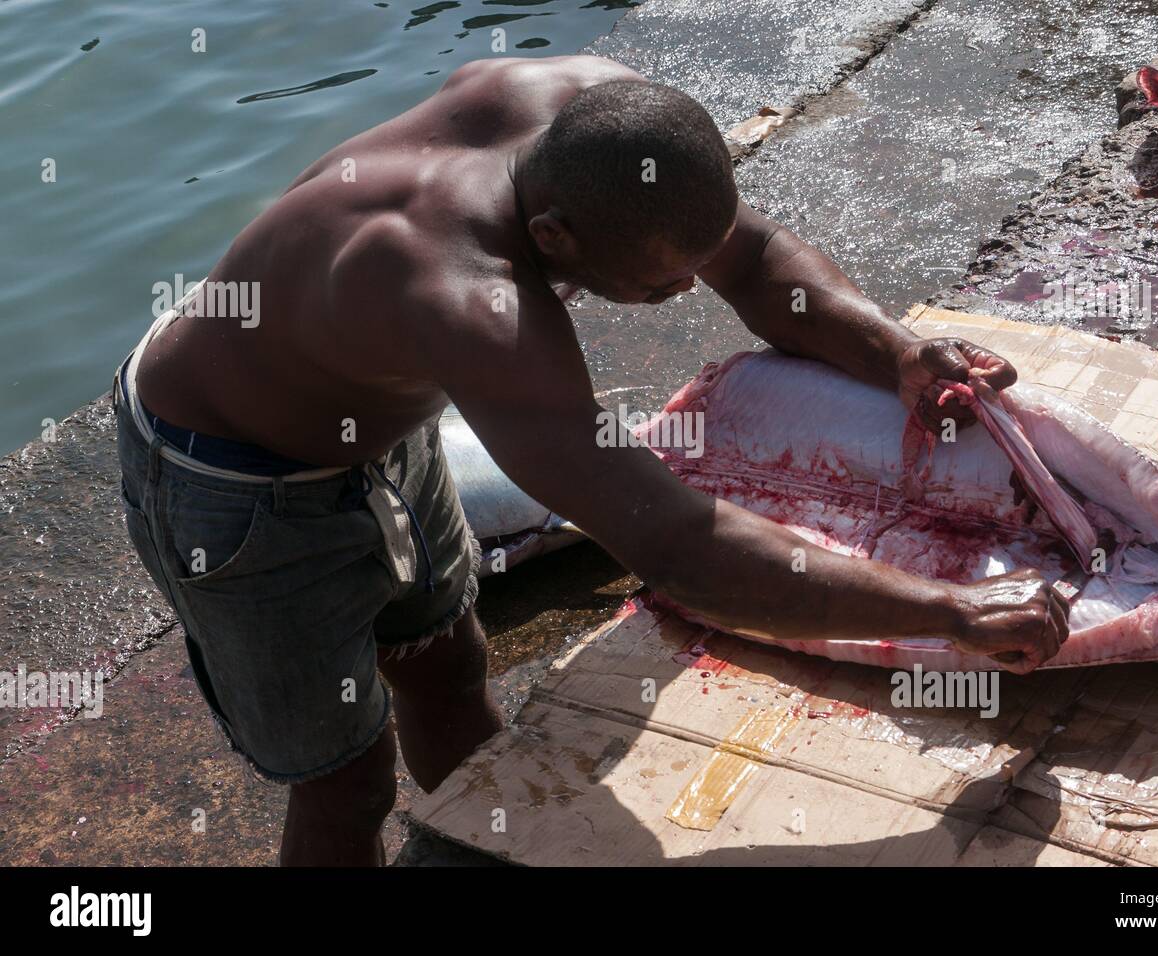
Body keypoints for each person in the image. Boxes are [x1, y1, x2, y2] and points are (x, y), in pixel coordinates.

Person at [115, 55, 1067, 866]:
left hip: (378, 426)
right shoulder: (467, 295)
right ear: (552, 240)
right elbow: (683, 549)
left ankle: (488, 839)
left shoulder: (600, 120)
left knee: (447, 663)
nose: (686, 291)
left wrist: (897, 354)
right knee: (346, 784)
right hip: (234, 480)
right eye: (660, 285)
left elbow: (756, 257)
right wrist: (949, 614)